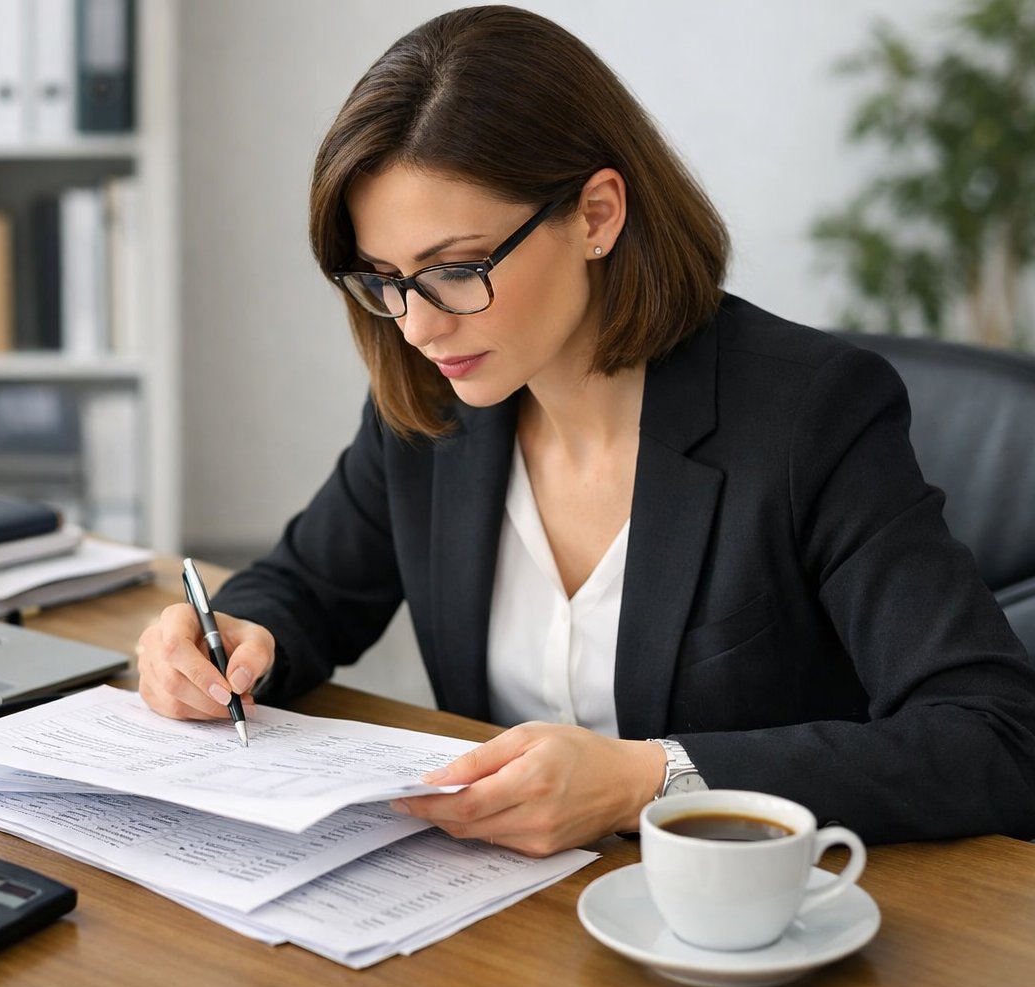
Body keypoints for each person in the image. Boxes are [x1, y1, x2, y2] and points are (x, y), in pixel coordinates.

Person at [136, 5, 1035, 854]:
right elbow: (310, 588)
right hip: (499, 920)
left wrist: (653, 780)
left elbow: (992, 734)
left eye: (455, 270)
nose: (414, 325)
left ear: (597, 215)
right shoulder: (438, 395)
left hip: (741, 935)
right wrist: (229, 641)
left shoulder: (811, 415)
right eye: (384, 280)